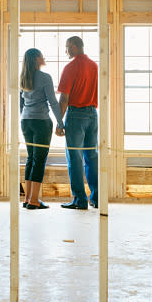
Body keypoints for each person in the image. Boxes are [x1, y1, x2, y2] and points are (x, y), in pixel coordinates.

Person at [56, 36, 98, 210]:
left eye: (67, 48)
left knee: (75, 158)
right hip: (92, 114)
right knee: (92, 157)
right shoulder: (94, 66)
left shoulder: (70, 67)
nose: (66, 51)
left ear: (74, 47)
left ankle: (79, 200)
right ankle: (96, 199)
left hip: (76, 115)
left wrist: (59, 122)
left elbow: (64, 98)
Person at [20, 48, 65, 210]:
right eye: (41, 55)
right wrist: (60, 123)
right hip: (41, 122)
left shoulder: (23, 77)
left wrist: (24, 117)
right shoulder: (45, 77)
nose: (43, 57)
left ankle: (27, 199)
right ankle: (34, 201)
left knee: (31, 158)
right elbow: (53, 102)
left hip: (26, 121)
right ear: (36, 59)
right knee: (39, 160)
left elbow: (21, 103)